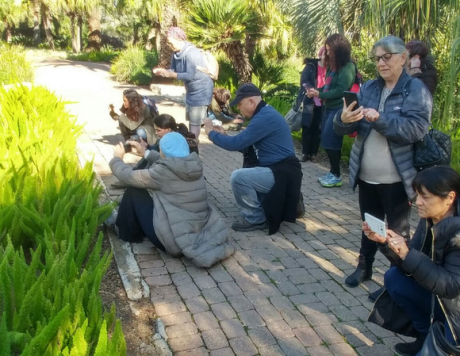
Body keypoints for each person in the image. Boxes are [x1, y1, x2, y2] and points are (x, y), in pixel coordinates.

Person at [333, 35, 432, 301]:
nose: (381, 63)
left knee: (397, 234)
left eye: (387, 57)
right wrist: (343, 120)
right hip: (366, 175)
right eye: (377, 58)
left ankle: (395, 281)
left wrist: (381, 119)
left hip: (397, 179)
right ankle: (364, 268)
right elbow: (348, 125)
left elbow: (416, 129)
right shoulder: (368, 88)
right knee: (370, 226)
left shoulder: (415, 90)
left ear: (403, 58)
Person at [366, 166, 460, 356]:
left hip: (455, 309)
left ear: (450, 198)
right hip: (440, 296)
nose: (418, 202)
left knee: (445, 348)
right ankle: (425, 336)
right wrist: (386, 243)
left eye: (425, 197)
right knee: (395, 277)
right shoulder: (431, 218)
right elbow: (411, 261)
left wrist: (407, 254)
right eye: (417, 195)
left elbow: (452, 286)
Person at [109, 132, 234, 268]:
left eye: (161, 150)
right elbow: (169, 162)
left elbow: (128, 176)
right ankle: (129, 224)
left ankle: (123, 230)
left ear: (164, 152)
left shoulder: (163, 173)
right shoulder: (193, 164)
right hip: (194, 231)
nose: (160, 152)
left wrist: (117, 158)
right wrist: (145, 153)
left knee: (134, 191)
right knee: (146, 196)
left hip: (172, 240)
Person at [203, 83, 302, 234]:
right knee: (260, 195)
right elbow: (245, 146)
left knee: (239, 177)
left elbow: (235, 144)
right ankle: (292, 200)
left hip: (282, 172)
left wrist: (211, 133)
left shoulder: (264, 117)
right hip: (280, 170)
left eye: (240, 104)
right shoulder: (264, 114)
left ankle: (255, 219)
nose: (239, 109)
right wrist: (223, 136)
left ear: (251, 102)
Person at [307, 34, 356, 187]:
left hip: (339, 109)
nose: (327, 53)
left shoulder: (348, 67)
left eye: (329, 50)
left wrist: (320, 94)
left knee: (331, 140)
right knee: (327, 140)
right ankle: (333, 172)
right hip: (328, 107)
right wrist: (316, 91)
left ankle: (336, 174)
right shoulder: (333, 66)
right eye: (326, 50)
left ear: (339, 50)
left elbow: (341, 90)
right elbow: (329, 88)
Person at [152, 27, 213, 140]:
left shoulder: (191, 53)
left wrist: (171, 75)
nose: (170, 45)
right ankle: (192, 145)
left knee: (195, 122)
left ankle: (193, 147)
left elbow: (190, 74)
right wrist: (162, 71)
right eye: (168, 43)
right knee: (191, 119)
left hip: (201, 90)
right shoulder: (176, 54)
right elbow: (173, 70)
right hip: (191, 90)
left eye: (171, 42)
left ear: (179, 39)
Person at [298, 47, 326, 163]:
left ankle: (313, 153)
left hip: (323, 102)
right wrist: (311, 91)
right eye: (325, 54)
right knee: (307, 127)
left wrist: (322, 94)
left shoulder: (332, 69)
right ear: (320, 55)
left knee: (318, 128)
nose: (326, 57)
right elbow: (304, 81)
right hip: (310, 100)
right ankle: (305, 153)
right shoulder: (311, 66)